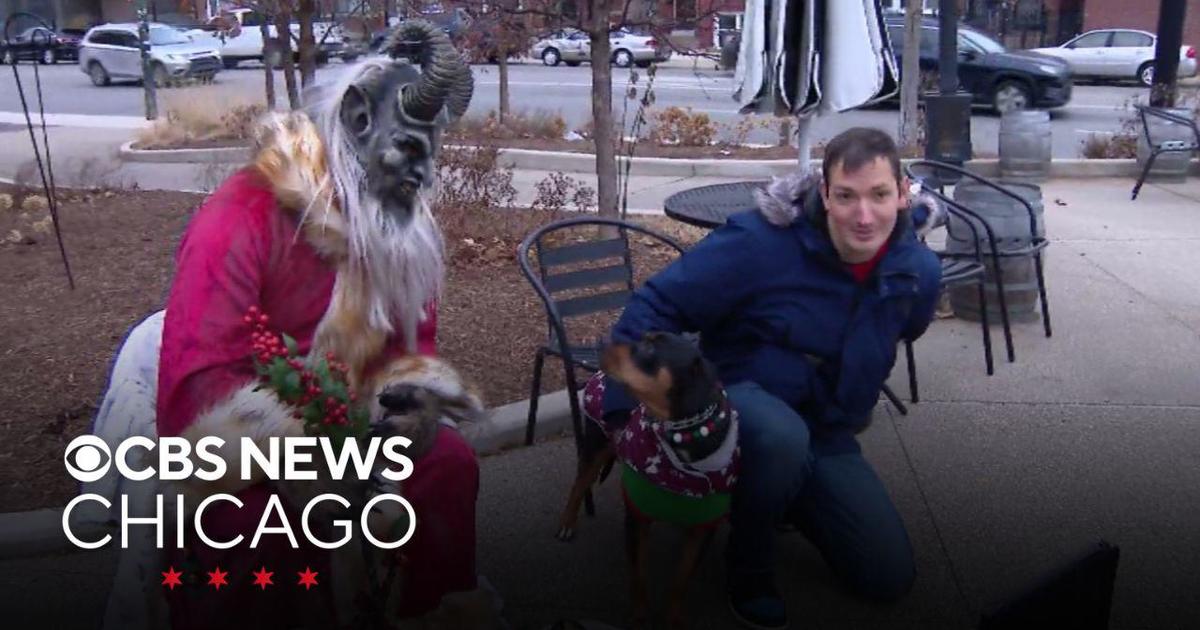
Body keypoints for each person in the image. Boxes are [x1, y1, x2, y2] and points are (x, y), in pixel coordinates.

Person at [89, 22, 489, 630]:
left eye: (429, 149)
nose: (423, 170)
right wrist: (308, 445)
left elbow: (410, 351)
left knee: (448, 467)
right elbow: (198, 392)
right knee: (250, 531)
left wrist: (408, 404)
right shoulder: (238, 218)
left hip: (356, 428)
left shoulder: (400, 232)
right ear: (355, 124)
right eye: (408, 146)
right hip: (246, 444)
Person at [603, 127, 943, 629]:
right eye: (846, 196)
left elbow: (906, 329)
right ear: (824, 193)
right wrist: (619, 411)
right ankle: (749, 568)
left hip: (827, 429)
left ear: (903, 194)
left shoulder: (917, 271)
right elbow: (658, 302)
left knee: (886, 576)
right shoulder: (759, 242)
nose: (864, 215)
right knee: (781, 437)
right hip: (745, 405)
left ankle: (784, 494)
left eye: (879, 195)